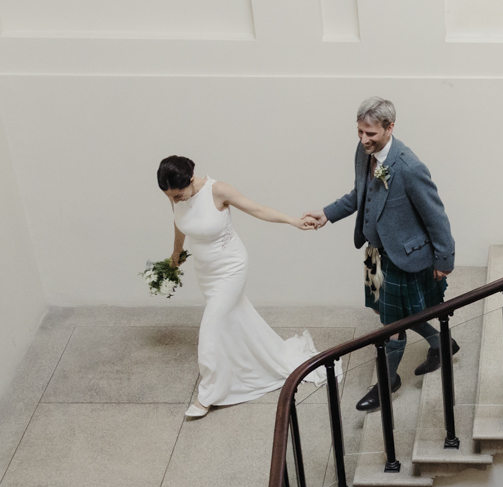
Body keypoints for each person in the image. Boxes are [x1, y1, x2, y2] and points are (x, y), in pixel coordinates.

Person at [298, 98, 456, 411]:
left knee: (391, 324)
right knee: (385, 313)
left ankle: (387, 381)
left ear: (390, 127)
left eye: (370, 133)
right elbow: (361, 194)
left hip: (405, 256)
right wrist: (327, 214)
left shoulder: (409, 167)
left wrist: (443, 260)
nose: (364, 139)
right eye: (360, 132)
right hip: (376, 253)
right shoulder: (365, 152)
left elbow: (436, 215)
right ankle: (441, 343)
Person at [159, 155, 317, 420]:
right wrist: (175, 255)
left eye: (178, 195)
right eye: (170, 197)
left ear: (189, 180)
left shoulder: (217, 190)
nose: (175, 200)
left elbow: (257, 209)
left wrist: (293, 221)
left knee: (211, 325)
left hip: (231, 267)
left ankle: (207, 395)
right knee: (234, 318)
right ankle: (259, 359)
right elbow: (179, 223)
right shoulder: (174, 194)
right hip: (205, 272)